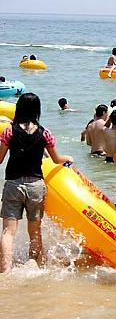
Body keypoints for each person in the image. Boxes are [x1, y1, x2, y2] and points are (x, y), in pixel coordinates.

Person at [0, 92, 73, 273]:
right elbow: (56, 159)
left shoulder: (9, 131)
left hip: (13, 185)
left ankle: (6, 270)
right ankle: (33, 265)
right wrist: (68, 157)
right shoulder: (44, 133)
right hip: (35, 186)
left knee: (8, 232)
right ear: (37, 110)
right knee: (35, 231)